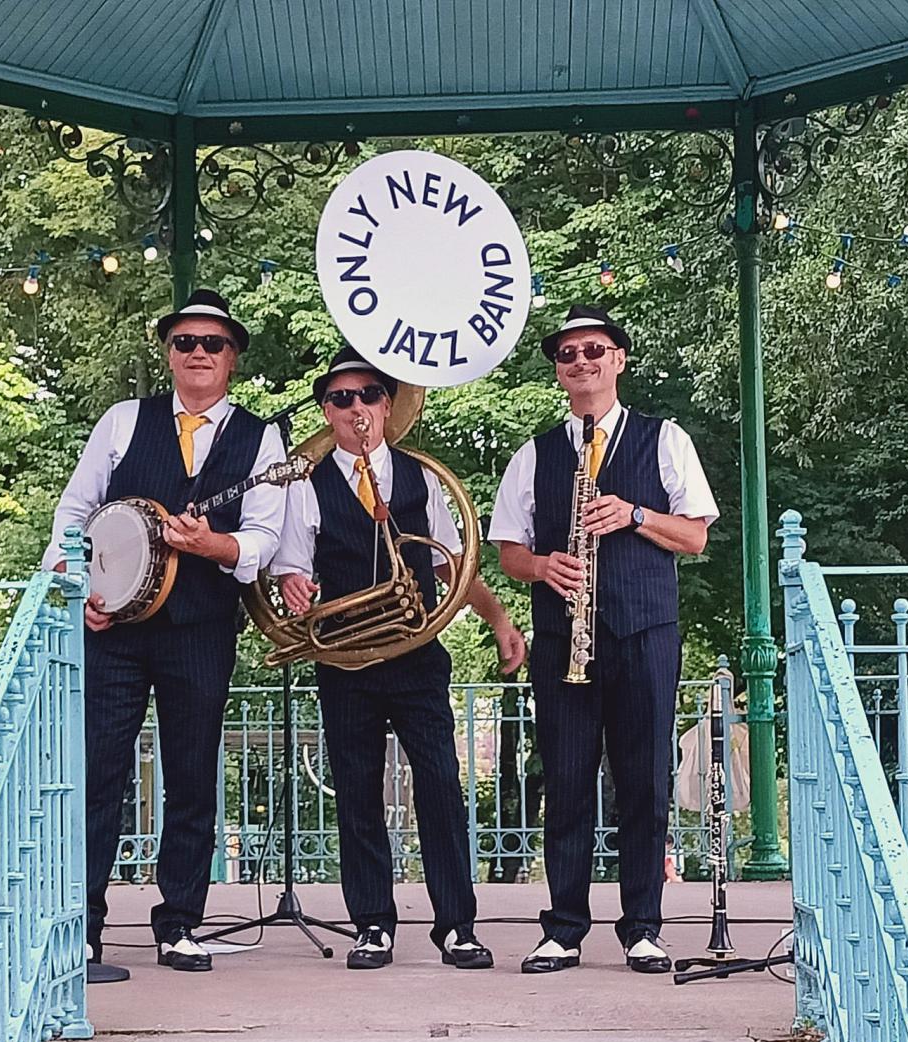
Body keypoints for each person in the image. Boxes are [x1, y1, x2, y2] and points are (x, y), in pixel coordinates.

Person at [43, 289, 286, 978]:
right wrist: (81, 587)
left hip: (200, 629)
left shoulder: (261, 439)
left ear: (232, 358)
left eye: (213, 344)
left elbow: (263, 540)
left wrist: (212, 545)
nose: (199, 354)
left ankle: (179, 921)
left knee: (191, 777)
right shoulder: (124, 421)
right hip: (114, 627)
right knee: (98, 774)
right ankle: (81, 927)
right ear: (169, 354)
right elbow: (75, 512)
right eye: (186, 343)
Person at [271, 347, 527, 971]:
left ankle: (457, 927)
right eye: (340, 399)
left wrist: (498, 620)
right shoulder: (304, 487)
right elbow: (290, 566)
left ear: (387, 405)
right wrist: (292, 584)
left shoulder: (420, 478)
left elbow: (452, 565)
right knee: (356, 792)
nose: (355, 409)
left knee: (441, 786)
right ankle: (372, 926)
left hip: (416, 656)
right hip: (346, 659)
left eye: (367, 396)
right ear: (326, 412)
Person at [489, 305, 718, 975]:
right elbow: (507, 550)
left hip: (644, 632)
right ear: (559, 371)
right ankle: (562, 929)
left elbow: (696, 536)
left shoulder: (664, 438)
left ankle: (643, 926)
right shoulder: (535, 453)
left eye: (595, 349)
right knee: (563, 782)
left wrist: (635, 513)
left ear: (619, 358)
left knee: (644, 783)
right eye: (568, 354)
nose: (581, 361)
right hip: (565, 635)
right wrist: (541, 566)